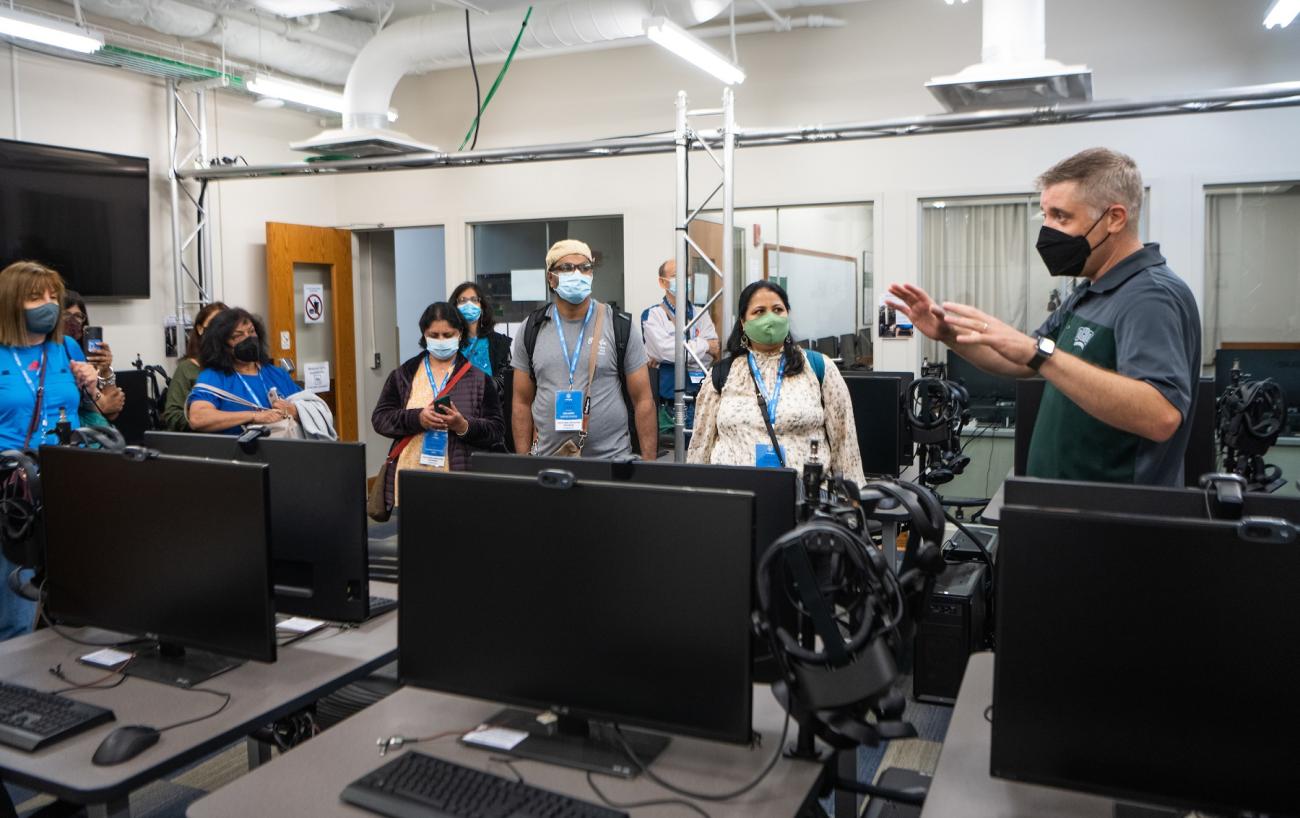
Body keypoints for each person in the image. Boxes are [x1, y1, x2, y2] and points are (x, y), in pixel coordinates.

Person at [888, 147, 1200, 486]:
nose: (1048, 230)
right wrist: (946, 334)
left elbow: (1161, 415)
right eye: (1045, 215)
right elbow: (1024, 363)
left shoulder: (1150, 296)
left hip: (1115, 517)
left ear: (1115, 218)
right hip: (1060, 505)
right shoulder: (1090, 290)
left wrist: (1038, 352)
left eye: (1062, 217)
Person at [0, 261, 98, 641]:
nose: (49, 304)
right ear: (10, 303)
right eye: (36, 296)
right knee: (16, 612)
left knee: (78, 603)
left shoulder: (66, 347)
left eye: (52, 296)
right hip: (13, 492)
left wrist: (95, 379)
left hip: (68, 481)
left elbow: (96, 407)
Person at [688, 280, 866, 485]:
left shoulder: (819, 368)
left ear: (787, 316)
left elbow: (845, 445)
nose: (770, 318)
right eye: (759, 311)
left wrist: (853, 504)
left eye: (777, 310)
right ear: (743, 323)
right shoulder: (722, 374)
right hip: (735, 500)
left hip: (803, 502)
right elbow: (700, 446)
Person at [511, 240, 657, 458]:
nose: (577, 273)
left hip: (612, 460)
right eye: (567, 268)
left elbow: (643, 400)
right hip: (548, 460)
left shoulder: (619, 326)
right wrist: (523, 463)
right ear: (551, 278)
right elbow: (521, 402)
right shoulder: (531, 328)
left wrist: (649, 463)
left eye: (585, 267)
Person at [371, 302, 504, 501]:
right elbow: (381, 418)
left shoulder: (478, 379)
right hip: (410, 476)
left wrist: (464, 426)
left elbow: (496, 429)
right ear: (424, 334)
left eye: (447, 335)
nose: (441, 341)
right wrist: (418, 418)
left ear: (459, 334)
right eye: (434, 335)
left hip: (459, 479)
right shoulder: (404, 374)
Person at [186, 308, 303, 434]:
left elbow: (312, 407)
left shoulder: (277, 374)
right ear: (222, 345)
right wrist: (254, 416)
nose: (248, 338)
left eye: (252, 332)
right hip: (237, 451)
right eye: (238, 336)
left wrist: (295, 411)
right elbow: (197, 418)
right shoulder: (213, 377)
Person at [640, 259, 719, 428]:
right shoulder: (653, 315)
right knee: (673, 450)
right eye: (676, 275)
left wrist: (679, 354)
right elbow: (665, 352)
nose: (684, 279)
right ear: (662, 282)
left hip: (700, 398)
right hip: (668, 404)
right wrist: (703, 345)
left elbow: (712, 353)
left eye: (686, 275)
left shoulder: (700, 313)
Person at [61, 290, 125, 425]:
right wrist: (104, 403)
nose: (73, 322)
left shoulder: (87, 352)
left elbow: (112, 412)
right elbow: (104, 406)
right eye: (66, 315)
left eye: (78, 316)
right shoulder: (57, 354)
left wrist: (106, 369)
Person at [162, 301, 227, 431]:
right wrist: (205, 420)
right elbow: (172, 416)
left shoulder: (240, 367)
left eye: (224, 327)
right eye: (214, 326)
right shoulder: (187, 369)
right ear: (200, 329)